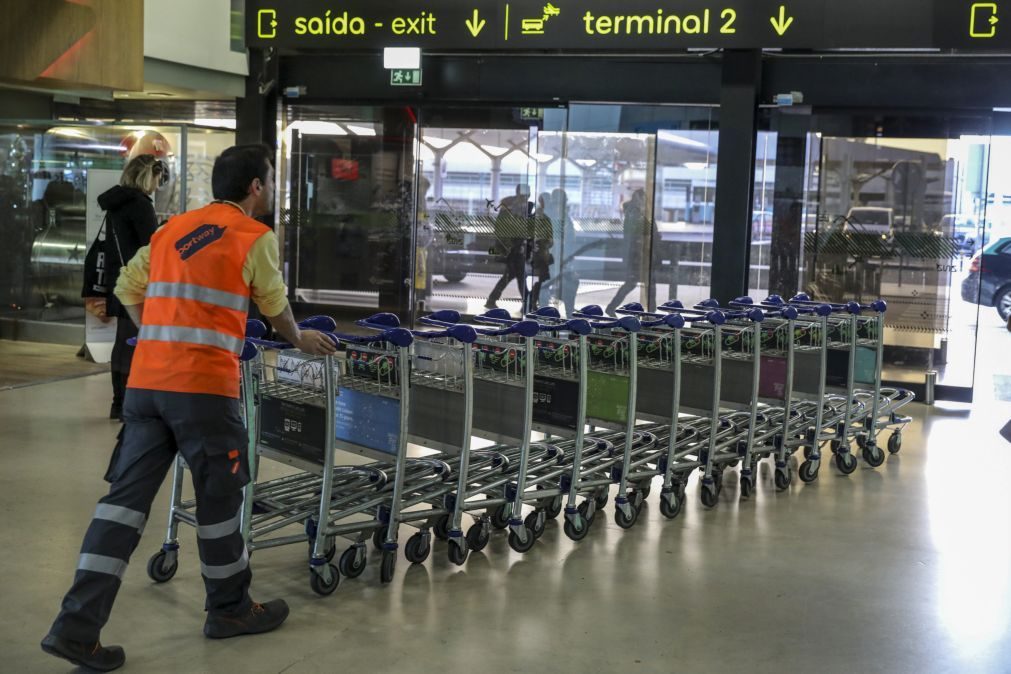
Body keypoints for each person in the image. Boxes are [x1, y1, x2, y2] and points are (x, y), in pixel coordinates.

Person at [41, 144, 337, 672]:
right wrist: (299, 339)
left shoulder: (173, 228)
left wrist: (158, 334)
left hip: (147, 385)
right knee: (220, 502)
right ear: (255, 187)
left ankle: (75, 627)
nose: (271, 188)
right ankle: (229, 609)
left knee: (121, 506)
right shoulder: (254, 236)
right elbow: (274, 305)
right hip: (203, 391)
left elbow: (126, 286)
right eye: (270, 179)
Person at [98, 155, 164, 421]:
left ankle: (119, 402)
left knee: (122, 342)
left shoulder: (117, 203)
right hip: (137, 283)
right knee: (134, 343)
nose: (159, 185)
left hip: (119, 277)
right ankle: (127, 404)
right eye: (158, 179)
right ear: (149, 176)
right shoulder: (140, 205)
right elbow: (152, 247)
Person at [484, 184, 531, 310]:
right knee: (520, 276)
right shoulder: (512, 208)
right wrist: (510, 245)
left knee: (511, 275)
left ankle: (492, 299)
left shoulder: (519, 207)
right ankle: (528, 303)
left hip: (514, 247)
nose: (527, 197)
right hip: (512, 248)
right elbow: (503, 229)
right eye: (526, 194)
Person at [606, 188, 648, 316]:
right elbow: (637, 233)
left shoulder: (631, 211)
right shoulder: (635, 212)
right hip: (634, 253)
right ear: (639, 198)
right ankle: (611, 307)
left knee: (633, 282)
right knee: (633, 282)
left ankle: (611, 307)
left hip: (632, 252)